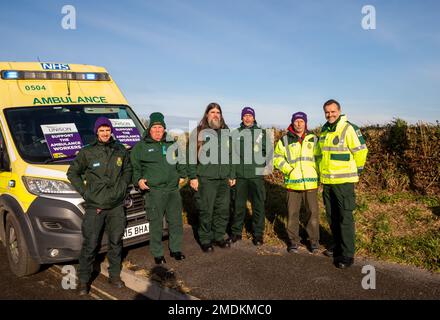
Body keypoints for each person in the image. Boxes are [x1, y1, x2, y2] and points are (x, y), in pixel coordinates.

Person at [67, 117, 132, 295]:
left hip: (116, 206)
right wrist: (86, 194)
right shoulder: (87, 152)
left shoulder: (120, 150)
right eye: (101, 130)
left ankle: (114, 276)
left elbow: (128, 169)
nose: (105, 133)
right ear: (96, 132)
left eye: (107, 130)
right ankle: (83, 281)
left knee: (116, 242)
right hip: (95, 206)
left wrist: (123, 186)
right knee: (91, 244)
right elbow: (72, 173)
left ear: (111, 131)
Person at [317, 99, 368, 269]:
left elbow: (361, 152)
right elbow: (320, 154)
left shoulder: (349, 128)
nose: (330, 114)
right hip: (328, 183)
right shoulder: (324, 130)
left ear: (339, 111)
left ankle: (347, 255)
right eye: (327, 112)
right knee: (332, 217)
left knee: (345, 218)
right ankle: (338, 246)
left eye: (333, 111)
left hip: (344, 183)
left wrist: (357, 171)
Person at [130, 112, 187, 264]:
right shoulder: (141, 147)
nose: (157, 130)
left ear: (164, 129)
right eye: (154, 127)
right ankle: (158, 253)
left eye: (160, 127)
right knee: (156, 223)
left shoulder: (171, 144)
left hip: (172, 190)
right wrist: (138, 181)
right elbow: (134, 168)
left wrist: (182, 175)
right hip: (154, 191)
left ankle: (175, 249)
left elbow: (181, 160)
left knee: (175, 221)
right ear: (149, 128)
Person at [187, 102, 236, 252]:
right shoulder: (199, 132)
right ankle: (205, 239)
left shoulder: (226, 132)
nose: (215, 115)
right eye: (212, 112)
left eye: (218, 112)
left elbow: (232, 155)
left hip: (223, 179)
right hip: (206, 178)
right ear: (207, 115)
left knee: (222, 210)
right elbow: (190, 156)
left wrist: (232, 174)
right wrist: (192, 176)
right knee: (206, 210)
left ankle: (219, 236)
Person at [274, 112, 320, 254]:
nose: (299, 124)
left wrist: (318, 174)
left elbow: (320, 158)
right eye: (296, 121)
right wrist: (288, 169)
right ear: (292, 123)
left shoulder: (314, 139)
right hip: (293, 184)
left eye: (301, 121)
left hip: (311, 183)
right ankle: (293, 241)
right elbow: (276, 157)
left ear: (305, 123)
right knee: (292, 213)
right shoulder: (285, 140)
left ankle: (313, 241)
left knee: (312, 213)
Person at [229, 107, 267, 246]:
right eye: (245, 115)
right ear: (242, 118)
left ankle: (258, 234)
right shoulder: (235, 133)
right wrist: (232, 174)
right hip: (240, 176)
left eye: (250, 115)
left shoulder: (261, 133)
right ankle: (236, 232)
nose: (247, 118)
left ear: (254, 117)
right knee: (238, 205)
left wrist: (261, 166)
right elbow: (231, 155)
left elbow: (268, 151)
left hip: (256, 176)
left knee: (258, 205)